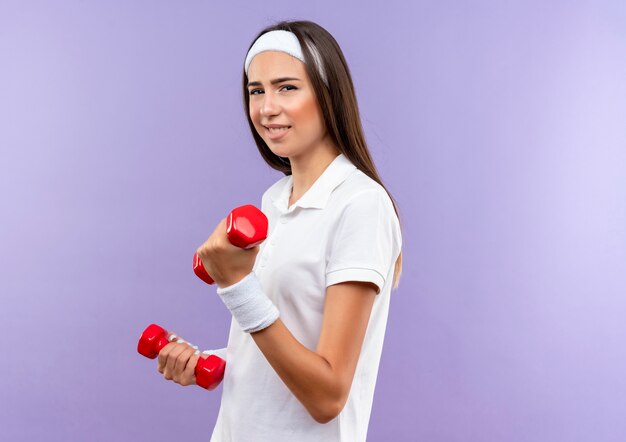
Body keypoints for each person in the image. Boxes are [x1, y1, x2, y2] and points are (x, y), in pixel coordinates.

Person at [156, 20, 404, 441]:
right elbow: (276, 345)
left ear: (327, 95)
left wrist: (236, 285)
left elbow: (326, 396)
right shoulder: (273, 201)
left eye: (287, 87)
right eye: (256, 91)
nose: (266, 108)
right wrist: (208, 363)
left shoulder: (361, 205)